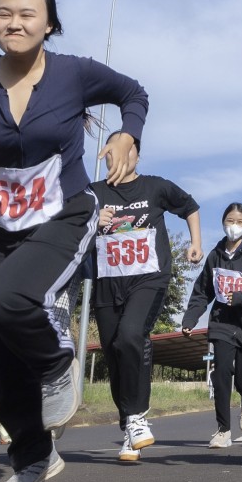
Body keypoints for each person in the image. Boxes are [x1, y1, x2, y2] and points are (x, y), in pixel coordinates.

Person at [0, 0, 149, 482]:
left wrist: (126, 134)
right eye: (4, 13)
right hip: (1, 223)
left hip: (64, 214)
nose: (15, 22)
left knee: (12, 300)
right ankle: (33, 457)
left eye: (28, 14)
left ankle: (57, 364)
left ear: (49, 24)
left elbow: (132, 93)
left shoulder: (74, 73)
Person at [92, 169, 201, 461]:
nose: (114, 157)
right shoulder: (94, 192)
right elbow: (66, 224)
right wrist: (91, 220)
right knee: (113, 352)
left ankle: (137, 416)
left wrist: (195, 243)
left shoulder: (155, 187)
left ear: (134, 153)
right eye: (109, 151)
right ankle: (130, 426)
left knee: (130, 335)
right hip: (108, 280)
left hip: (148, 278)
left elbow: (190, 206)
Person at [182, 203, 242, 447]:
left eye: (240, 222)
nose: (234, 226)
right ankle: (223, 430)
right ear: (223, 222)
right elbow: (202, 290)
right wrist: (190, 319)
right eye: (231, 220)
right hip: (223, 322)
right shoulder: (215, 256)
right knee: (221, 373)